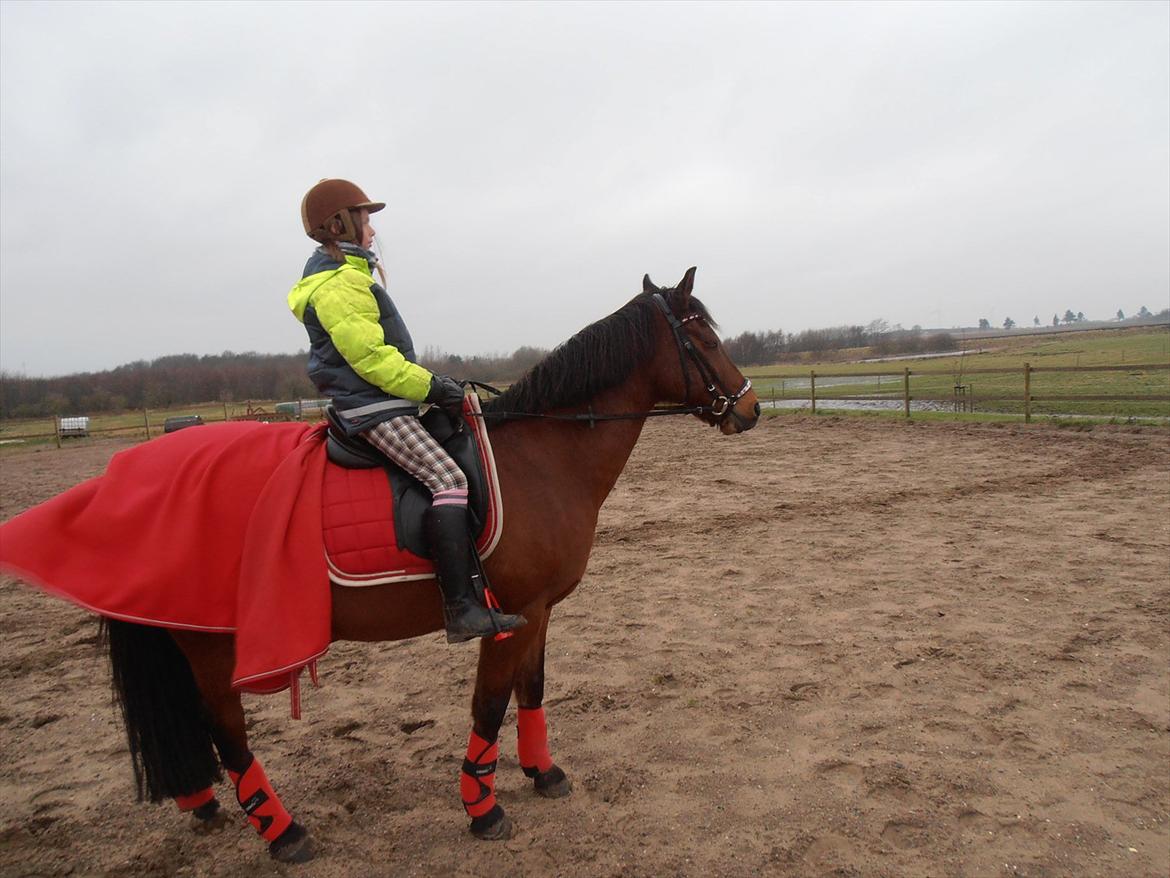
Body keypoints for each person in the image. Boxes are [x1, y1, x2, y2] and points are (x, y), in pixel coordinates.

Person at [287, 178, 525, 643]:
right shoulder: (338, 286)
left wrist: (435, 388)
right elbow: (374, 360)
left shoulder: (351, 277)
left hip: (388, 400)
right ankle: (460, 609)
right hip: (373, 410)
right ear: (340, 225)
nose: (372, 231)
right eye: (366, 220)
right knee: (449, 480)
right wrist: (435, 387)